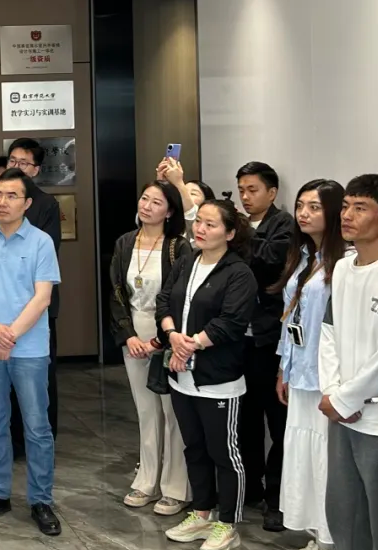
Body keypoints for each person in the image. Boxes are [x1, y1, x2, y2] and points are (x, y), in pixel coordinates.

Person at [0, 168, 62, 537]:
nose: (2, 202)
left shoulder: (40, 242)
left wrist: (10, 335)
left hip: (29, 348)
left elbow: (43, 297)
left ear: (27, 203)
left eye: (11, 195)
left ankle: (40, 499)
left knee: (37, 426)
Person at [156, 200, 256, 550]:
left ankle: (227, 524)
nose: (200, 229)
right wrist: (172, 335)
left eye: (211, 224)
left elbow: (231, 322)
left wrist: (190, 345)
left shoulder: (239, 273)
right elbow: (164, 301)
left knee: (224, 454)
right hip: (181, 376)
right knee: (194, 448)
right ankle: (201, 514)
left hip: (218, 380)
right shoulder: (188, 260)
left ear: (230, 233)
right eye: (198, 221)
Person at [318, 174, 378, 550]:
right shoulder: (341, 266)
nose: (347, 215)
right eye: (345, 206)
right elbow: (328, 331)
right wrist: (332, 392)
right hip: (341, 411)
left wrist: (347, 399)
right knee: (344, 512)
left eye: (360, 208)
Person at [108, 181, 192, 516]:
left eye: (157, 202)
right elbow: (116, 292)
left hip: (168, 334)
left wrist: (159, 339)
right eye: (144, 198)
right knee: (146, 410)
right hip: (134, 334)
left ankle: (176, 487)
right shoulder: (125, 242)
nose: (147, 206)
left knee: (172, 412)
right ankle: (147, 479)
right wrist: (128, 335)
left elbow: (180, 296)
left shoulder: (178, 246)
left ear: (170, 211)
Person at [271, 180, 346, 550]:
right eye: (301, 205)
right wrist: (283, 368)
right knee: (304, 454)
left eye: (314, 207)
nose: (303, 213)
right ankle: (317, 532)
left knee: (327, 457)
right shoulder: (302, 256)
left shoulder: (344, 262)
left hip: (328, 377)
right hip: (299, 370)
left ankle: (332, 536)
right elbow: (290, 317)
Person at [0, 138, 62, 441]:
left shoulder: (46, 204)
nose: (17, 166)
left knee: (38, 385)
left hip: (33, 307)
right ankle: (10, 441)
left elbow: (47, 258)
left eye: (24, 163)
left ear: (36, 170)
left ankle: (37, 440)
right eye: (13, 160)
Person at [235, 161, 294, 530]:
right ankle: (251, 487)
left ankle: (278, 498)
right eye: (241, 190)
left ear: (272, 192)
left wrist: (241, 235)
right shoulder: (241, 225)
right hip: (240, 339)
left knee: (278, 422)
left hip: (270, 339)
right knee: (246, 419)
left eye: (252, 190)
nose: (245, 196)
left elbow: (270, 260)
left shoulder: (283, 225)